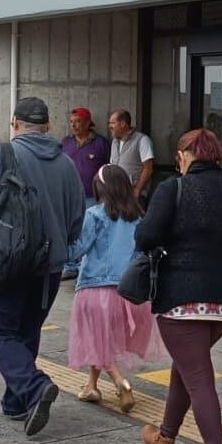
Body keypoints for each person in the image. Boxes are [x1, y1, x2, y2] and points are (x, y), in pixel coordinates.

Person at [136, 129, 222, 444]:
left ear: (188, 154)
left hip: (180, 298)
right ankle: (164, 439)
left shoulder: (174, 188)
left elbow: (146, 237)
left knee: (198, 377)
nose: (179, 159)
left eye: (180, 153)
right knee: (187, 369)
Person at [0, 97, 85, 436]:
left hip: (4, 264)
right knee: (25, 331)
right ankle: (17, 402)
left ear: (15, 123)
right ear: (48, 126)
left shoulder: (1, 156)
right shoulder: (66, 164)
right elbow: (77, 221)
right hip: (48, 267)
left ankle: (33, 388)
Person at [67, 164, 163, 411]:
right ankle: (91, 386)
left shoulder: (95, 215)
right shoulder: (139, 218)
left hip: (95, 288)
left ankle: (121, 382)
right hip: (129, 293)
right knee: (101, 338)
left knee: (97, 337)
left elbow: (79, 248)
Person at [60, 107, 110, 281]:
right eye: (71, 122)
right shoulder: (65, 142)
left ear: (88, 123)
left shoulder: (101, 143)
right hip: (69, 196)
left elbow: (108, 168)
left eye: (78, 121)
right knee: (69, 229)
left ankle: (84, 266)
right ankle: (69, 266)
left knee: (88, 230)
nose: (73, 125)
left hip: (92, 196)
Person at [108, 109, 154, 204]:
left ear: (123, 124)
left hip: (134, 196)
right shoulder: (114, 142)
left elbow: (148, 169)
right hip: (116, 195)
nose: (110, 126)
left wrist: (137, 190)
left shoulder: (142, 140)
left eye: (112, 123)